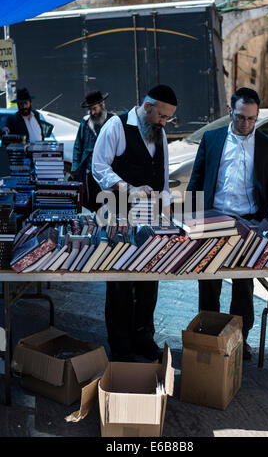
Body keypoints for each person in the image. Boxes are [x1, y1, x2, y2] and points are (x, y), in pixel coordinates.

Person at [187, 87, 268, 360]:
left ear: (257, 115)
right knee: (209, 282)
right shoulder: (212, 139)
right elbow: (196, 181)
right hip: (214, 218)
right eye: (241, 117)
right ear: (230, 111)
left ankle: (240, 339)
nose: (246, 124)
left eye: (251, 119)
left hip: (250, 223)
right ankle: (208, 334)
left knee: (244, 285)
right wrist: (191, 218)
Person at [92, 84, 177, 362]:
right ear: (147, 106)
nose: (164, 123)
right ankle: (120, 345)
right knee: (119, 282)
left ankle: (143, 337)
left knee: (148, 281)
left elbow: (162, 178)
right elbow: (99, 167)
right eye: (161, 116)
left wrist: (167, 213)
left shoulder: (160, 133)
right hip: (118, 215)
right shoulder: (116, 126)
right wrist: (127, 187)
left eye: (168, 119)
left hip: (150, 218)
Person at [71, 90, 113, 211]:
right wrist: (75, 169)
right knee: (90, 204)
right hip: (89, 173)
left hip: (107, 172)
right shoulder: (85, 122)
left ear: (103, 105)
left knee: (107, 206)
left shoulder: (113, 121)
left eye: (95, 108)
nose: (92, 112)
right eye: (90, 109)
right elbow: (78, 147)